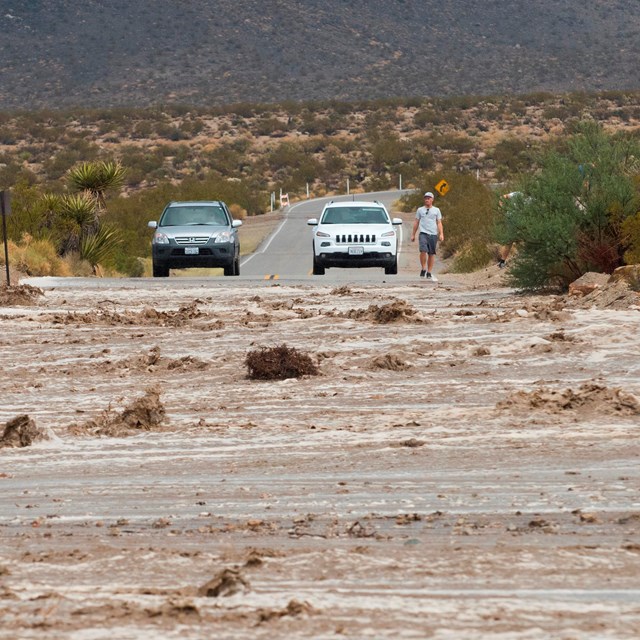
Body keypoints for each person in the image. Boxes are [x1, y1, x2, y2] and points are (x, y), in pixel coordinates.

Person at [411, 192, 444, 281]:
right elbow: (416, 222)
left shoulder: (436, 210)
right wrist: (413, 234)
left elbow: (439, 222)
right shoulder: (420, 210)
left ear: (432, 199)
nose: (427, 200)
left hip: (433, 234)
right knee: (423, 250)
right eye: (425, 198)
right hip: (423, 234)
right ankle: (423, 268)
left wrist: (441, 234)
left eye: (429, 198)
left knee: (431, 254)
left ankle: (429, 272)